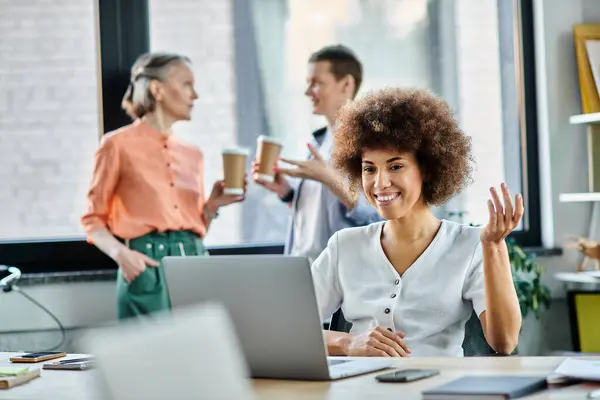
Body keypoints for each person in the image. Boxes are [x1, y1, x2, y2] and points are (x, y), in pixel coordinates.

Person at [313, 87, 523, 357]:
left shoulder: (472, 245)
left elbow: (504, 342)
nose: (380, 183)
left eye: (396, 166)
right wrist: (348, 343)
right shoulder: (345, 245)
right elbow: (288, 327)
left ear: (426, 169)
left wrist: (494, 246)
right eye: (369, 169)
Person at [81, 52, 245, 319]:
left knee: (200, 354)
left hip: (195, 264)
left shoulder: (194, 154)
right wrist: (123, 255)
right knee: (148, 358)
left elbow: (196, 227)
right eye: (186, 84)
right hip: (146, 266)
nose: (195, 95)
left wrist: (212, 206)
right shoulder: (116, 145)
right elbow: (92, 221)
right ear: (157, 89)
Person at [252, 44, 381, 263]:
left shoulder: (370, 142)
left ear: (347, 84)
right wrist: (286, 193)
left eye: (317, 83)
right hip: (304, 269)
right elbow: (317, 215)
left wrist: (330, 179)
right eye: (308, 83)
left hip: (340, 276)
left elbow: (378, 216)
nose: (307, 91)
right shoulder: (318, 142)